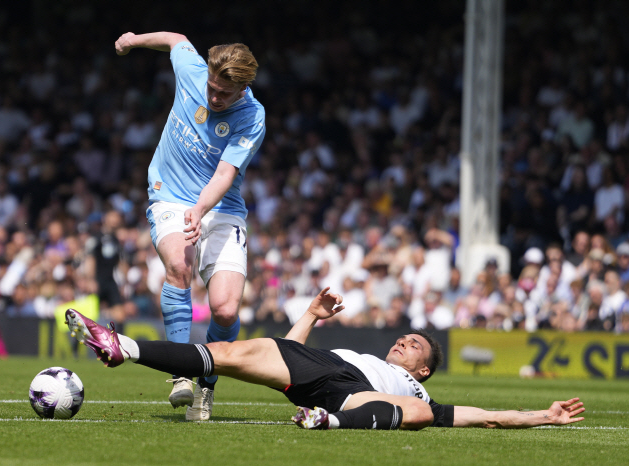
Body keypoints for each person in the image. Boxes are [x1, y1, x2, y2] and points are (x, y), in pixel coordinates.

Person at [65, 288, 585, 430]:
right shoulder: (361, 352)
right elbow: (294, 353)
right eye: (403, 339)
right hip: (319, 371)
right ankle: (122, 346)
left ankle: (330, 422)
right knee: (223, 353)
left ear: (422, 370)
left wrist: (542, 415)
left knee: (426, 416)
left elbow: (475, 416)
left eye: (415, 346)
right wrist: (311, 314)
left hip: (356, 394)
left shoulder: (417, 389)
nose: (404, 343)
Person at [114, 31, 266, 421]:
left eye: (224, 94)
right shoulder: (192, 70)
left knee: (227, 309)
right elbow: (175, 38)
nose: (214, 98)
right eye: (212, 89)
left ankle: (206, 386)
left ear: (243, 87)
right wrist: (133, 40)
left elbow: (225, 173)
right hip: (169, 195)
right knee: (179, 266)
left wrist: (201, 209)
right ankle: (180, 370)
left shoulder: (252, 116)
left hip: (220, 206)